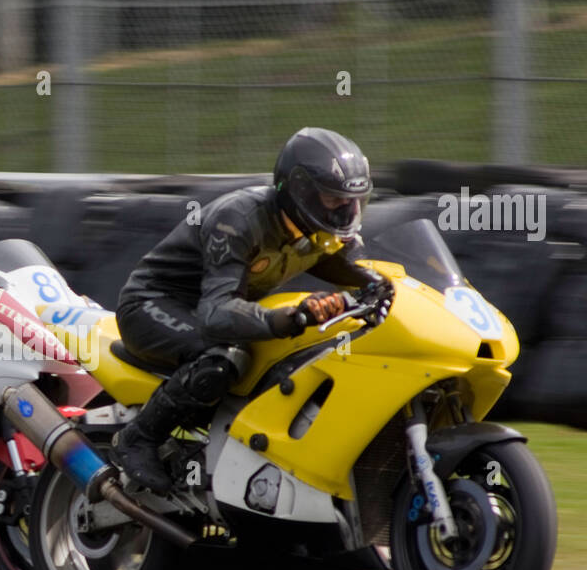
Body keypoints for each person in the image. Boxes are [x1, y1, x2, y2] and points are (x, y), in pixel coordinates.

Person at [110, 127, 392, 493]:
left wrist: (383, 289)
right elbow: (215, 314)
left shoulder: (322, 232)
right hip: (152, 305)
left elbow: (361, 271)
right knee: (225, 358)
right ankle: (137, 439)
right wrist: (289, 318)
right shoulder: (239, 220)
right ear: (300, 191)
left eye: (353, 203)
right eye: (333, 200)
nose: (345, 213)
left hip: (210, 310)